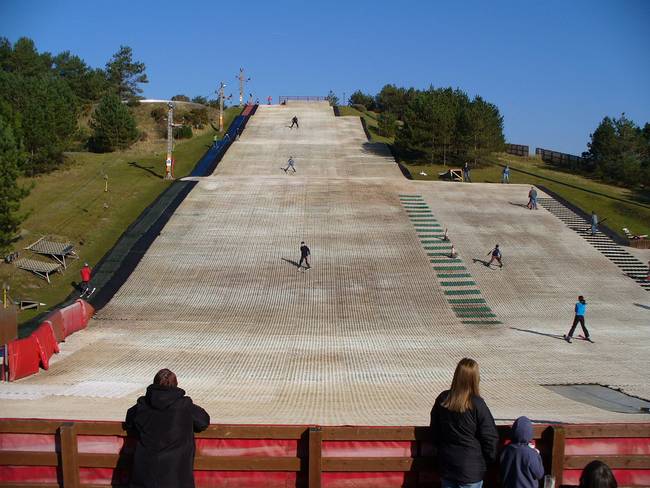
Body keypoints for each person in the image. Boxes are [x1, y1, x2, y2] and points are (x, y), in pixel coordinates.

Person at [126, 369, 210, 488]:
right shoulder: (184, 405)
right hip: (176, 478)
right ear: (176, 385)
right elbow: (203, 422)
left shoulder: (142, 404)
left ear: (154, 384)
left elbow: (129, 422)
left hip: (145, 477)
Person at [430, 358, 499, 488]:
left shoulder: (443, 399)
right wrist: (487, 460)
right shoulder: (477, 404)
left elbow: (434, 432)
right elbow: (490, 437)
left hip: (448, 465)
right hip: (471, 469)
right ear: (474, 378)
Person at [500, 416, 545, 488]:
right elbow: (539, 474)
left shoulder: (506, 450)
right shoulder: (531, 454)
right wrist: (537, 455)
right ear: (529, 434)